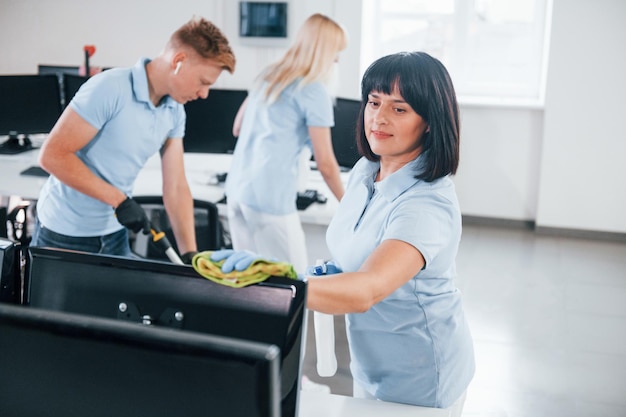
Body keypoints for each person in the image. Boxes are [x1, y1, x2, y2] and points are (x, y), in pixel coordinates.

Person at [211, 51, 475, 413]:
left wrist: (273, 287)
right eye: (374, 102)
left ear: (429, 121)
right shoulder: (368, 172)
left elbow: (366, 289)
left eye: (399, 109)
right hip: (372, 363)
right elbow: (357, 255)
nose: (378, 118)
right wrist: (302, 273)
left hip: (422, 373)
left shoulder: (425, 206)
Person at [31, 17, 236, 262]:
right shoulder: (109, 88)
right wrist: (118, 199)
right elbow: (52, 155)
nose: (204, 94)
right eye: (203, 82)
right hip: (64, 231)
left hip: (114, 232)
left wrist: (190, 254)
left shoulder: (174, 110)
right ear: (179, 61)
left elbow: (176, 186)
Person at [225, 13, 347, 273]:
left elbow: (237, 127)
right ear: (323, 51)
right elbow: (325, 163)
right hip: (270, 200)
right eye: (336, 51)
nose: (337, 59)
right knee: (295, 285)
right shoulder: (313, 90)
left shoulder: (268, 76)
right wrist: (349, 206)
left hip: (237, 192)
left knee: (248, 281)